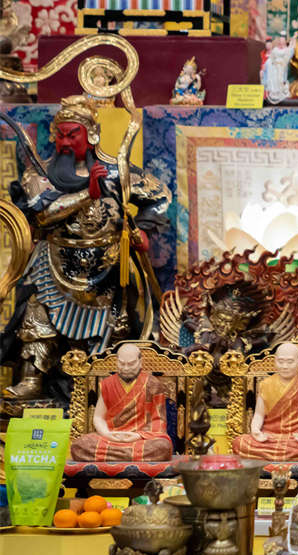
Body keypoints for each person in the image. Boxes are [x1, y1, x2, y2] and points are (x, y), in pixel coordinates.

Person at [0, 97, 170, 405]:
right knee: (38, 316)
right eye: (60, 135)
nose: (65, 142)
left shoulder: (117, 172)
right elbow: (42, 214)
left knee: (115, 323)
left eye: (72, 135)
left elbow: (161, 196)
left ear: (91, 134)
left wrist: (142, 229)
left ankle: (109, 381)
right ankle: (32, 379)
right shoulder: (39, 174)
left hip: (107, 268)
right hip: (55, 263)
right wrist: (87, 194)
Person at [69, 343, 173, 463]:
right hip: (112, 437)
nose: (126, 368)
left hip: (140, 439)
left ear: (140, 362)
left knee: (163, 447)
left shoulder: (153, 385)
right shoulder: (108, 384)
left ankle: (112, 455)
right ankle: (132, 455)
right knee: (80, 445)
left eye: (131, 364)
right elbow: (98, 417)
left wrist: (138, 435)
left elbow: (158, 420)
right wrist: (106, 433)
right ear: (116, 361)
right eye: (122, 363)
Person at [231, 342, 298, 461]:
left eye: (290, 362)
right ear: (275, 361)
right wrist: (256, 431)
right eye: (281, 361)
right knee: (239, 442)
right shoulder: (266, 384)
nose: (285, 366)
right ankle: (291, 458)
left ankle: (271, 459)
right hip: (270, 437)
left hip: (297, 439)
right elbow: (259, 414)